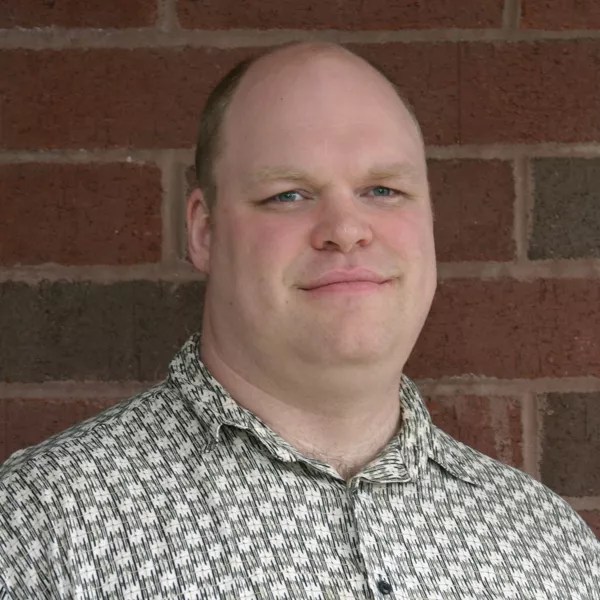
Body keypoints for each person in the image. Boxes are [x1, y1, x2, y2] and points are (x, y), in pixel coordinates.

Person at [0, 42, 598, 600]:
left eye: (383, 189)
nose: (346, 228)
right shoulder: (38, 528)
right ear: (205, 231)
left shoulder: (548, 545)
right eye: (288, 194)